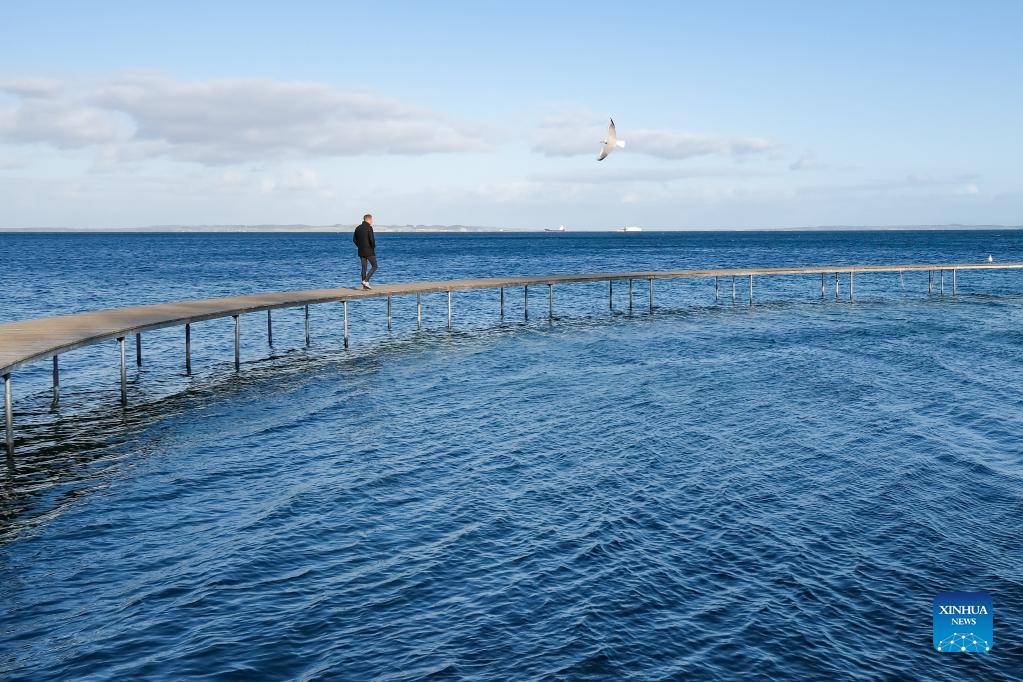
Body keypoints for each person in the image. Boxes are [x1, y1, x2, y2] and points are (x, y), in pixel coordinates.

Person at [352, 213, 377, 289]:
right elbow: (372, 239)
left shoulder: (358, 228)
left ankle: (364, 286)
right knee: (375, 266)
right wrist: (373, 247)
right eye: (371, 219)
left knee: (364, 268)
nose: (372, 221)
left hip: (361, 250)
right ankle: (366, 281)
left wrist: (359, 246)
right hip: (369, 250)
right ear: (368, 219)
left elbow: (354, 240)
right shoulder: (369, 227)